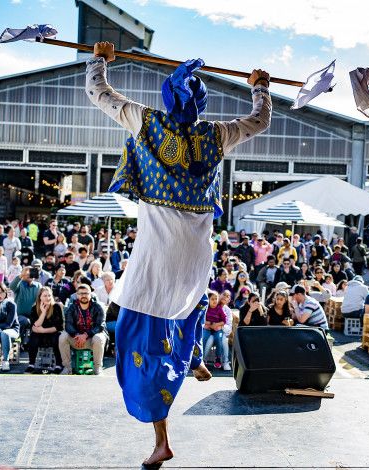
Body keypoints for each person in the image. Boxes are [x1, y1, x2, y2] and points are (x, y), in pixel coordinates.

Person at [88, 41, 271, 466]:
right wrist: (260, 86)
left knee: (140, 342)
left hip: (158, 255)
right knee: (184, 310)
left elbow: (99, 92)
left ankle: (161, 439)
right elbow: (259, 120)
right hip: (195, 255)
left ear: (167, 98)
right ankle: (193, 359)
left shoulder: (147, 122)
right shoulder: (215, 134)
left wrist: (100, 59)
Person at [59, 283, 108, 374]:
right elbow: (68, 325)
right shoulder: (72, 308)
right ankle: (67, 368)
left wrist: (86, 335)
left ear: (91, 294)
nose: (83, 296)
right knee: (63, 336)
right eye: (81, 293)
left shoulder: (98, 307)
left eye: (86, 293)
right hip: (76, 338)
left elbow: (100, 326)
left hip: (92, 339)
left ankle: (97, 368)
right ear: (77, 295)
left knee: (99, 337)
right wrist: (77, 335)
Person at [25, 286, 64, 374]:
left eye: (49, 295)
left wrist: (43, 330)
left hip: (53, 333)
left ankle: (58, 364)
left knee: (56, 337)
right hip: (40, 334)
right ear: (40, 297)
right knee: (33, 337)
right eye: (45, 296)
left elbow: (59, 327)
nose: (48, 298)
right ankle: (31, 364)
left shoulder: (57, 307)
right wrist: (43, 312)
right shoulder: (35, 308)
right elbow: (35, 326)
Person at [9, 267, 41, 343]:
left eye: (31, 272)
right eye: (27, 272)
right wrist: (22, 275)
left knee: (37, 322)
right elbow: (11, 286)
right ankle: (17, 340)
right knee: (24, 321)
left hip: (33, 315)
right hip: (19, 315)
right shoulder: (19, 284)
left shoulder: (38, 285)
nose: (29, 274)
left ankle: (30, 343)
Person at [202, 290, 229, 369]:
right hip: (208, 327)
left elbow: (224, 321)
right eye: (212, 299)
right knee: (203, 338)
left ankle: (218, 359)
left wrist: (216, 324)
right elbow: (202, 320)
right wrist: (210, 324)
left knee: (218, 339)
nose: (214, 301)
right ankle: (201, 359)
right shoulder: (206, 308)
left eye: (216, 299)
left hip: (217, 328)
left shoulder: (219, 308)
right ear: (208, 300)